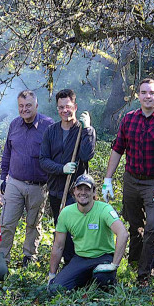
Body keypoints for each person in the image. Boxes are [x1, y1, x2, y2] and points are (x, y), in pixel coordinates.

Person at [102, 78, 154, 283]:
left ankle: (145, 273)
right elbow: (118, 149)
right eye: (144, 92)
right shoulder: (129, 119)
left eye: (152, 93)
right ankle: (135, 260)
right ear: (138, 95)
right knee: (134, 224)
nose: (148, 96)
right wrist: (108, 179)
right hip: (131, 180)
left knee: (152, 226)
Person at [40, 88, 96, 264]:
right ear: (57, 109)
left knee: (78, 228)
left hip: (76, 191)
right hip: (57, 189)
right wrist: (61, 168)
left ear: (75, 107)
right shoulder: (51, 131)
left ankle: (82, 262)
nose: (65, 110)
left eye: (68, 106)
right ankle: (68, 263)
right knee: (62, 228)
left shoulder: (83, 131)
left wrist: (87, 128)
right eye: (61, 107)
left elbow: (87, 155)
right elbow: (43, 160)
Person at [47, 174, 128, 293]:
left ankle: (100, 280)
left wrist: (114, 265)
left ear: (94, 192)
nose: (83, 192)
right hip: (80, 258)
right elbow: (58, 246)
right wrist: (52, 275)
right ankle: (85, 279)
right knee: (55, 290)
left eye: (87, 189)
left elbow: (123, 234)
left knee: (103, 280)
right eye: (79, 189)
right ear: (74, 191)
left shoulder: (104, 209)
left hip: (103, 256)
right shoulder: (66, 213)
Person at [0, 90, 53, 266]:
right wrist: (2, 178)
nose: (24, 109)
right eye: (21, 106)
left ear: (36, 105)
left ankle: (29, 257)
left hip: (39, 185)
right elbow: (7, 152)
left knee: (33, 223)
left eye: (28, 105)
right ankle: (2, 258)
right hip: (15, 182)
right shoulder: (14, 125)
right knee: (6, 222)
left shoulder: (48, 126)